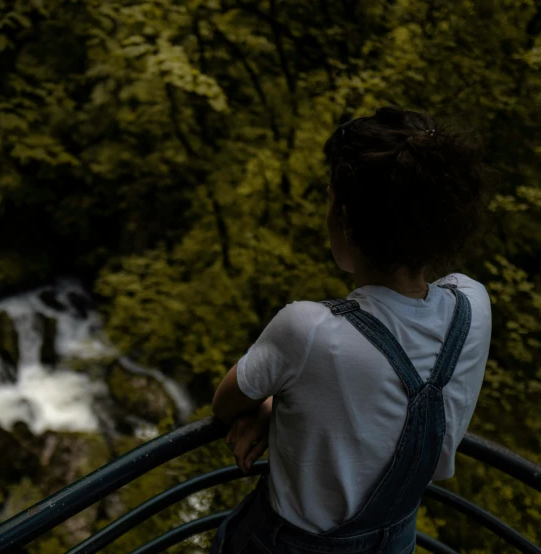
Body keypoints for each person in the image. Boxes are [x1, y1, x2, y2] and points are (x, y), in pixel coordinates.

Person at [209, 106, 494, 554]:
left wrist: (270, 405)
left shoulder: (305, 331)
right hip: (396, 541)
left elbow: (226, 402)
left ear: (343, 219)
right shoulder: (473, 306)